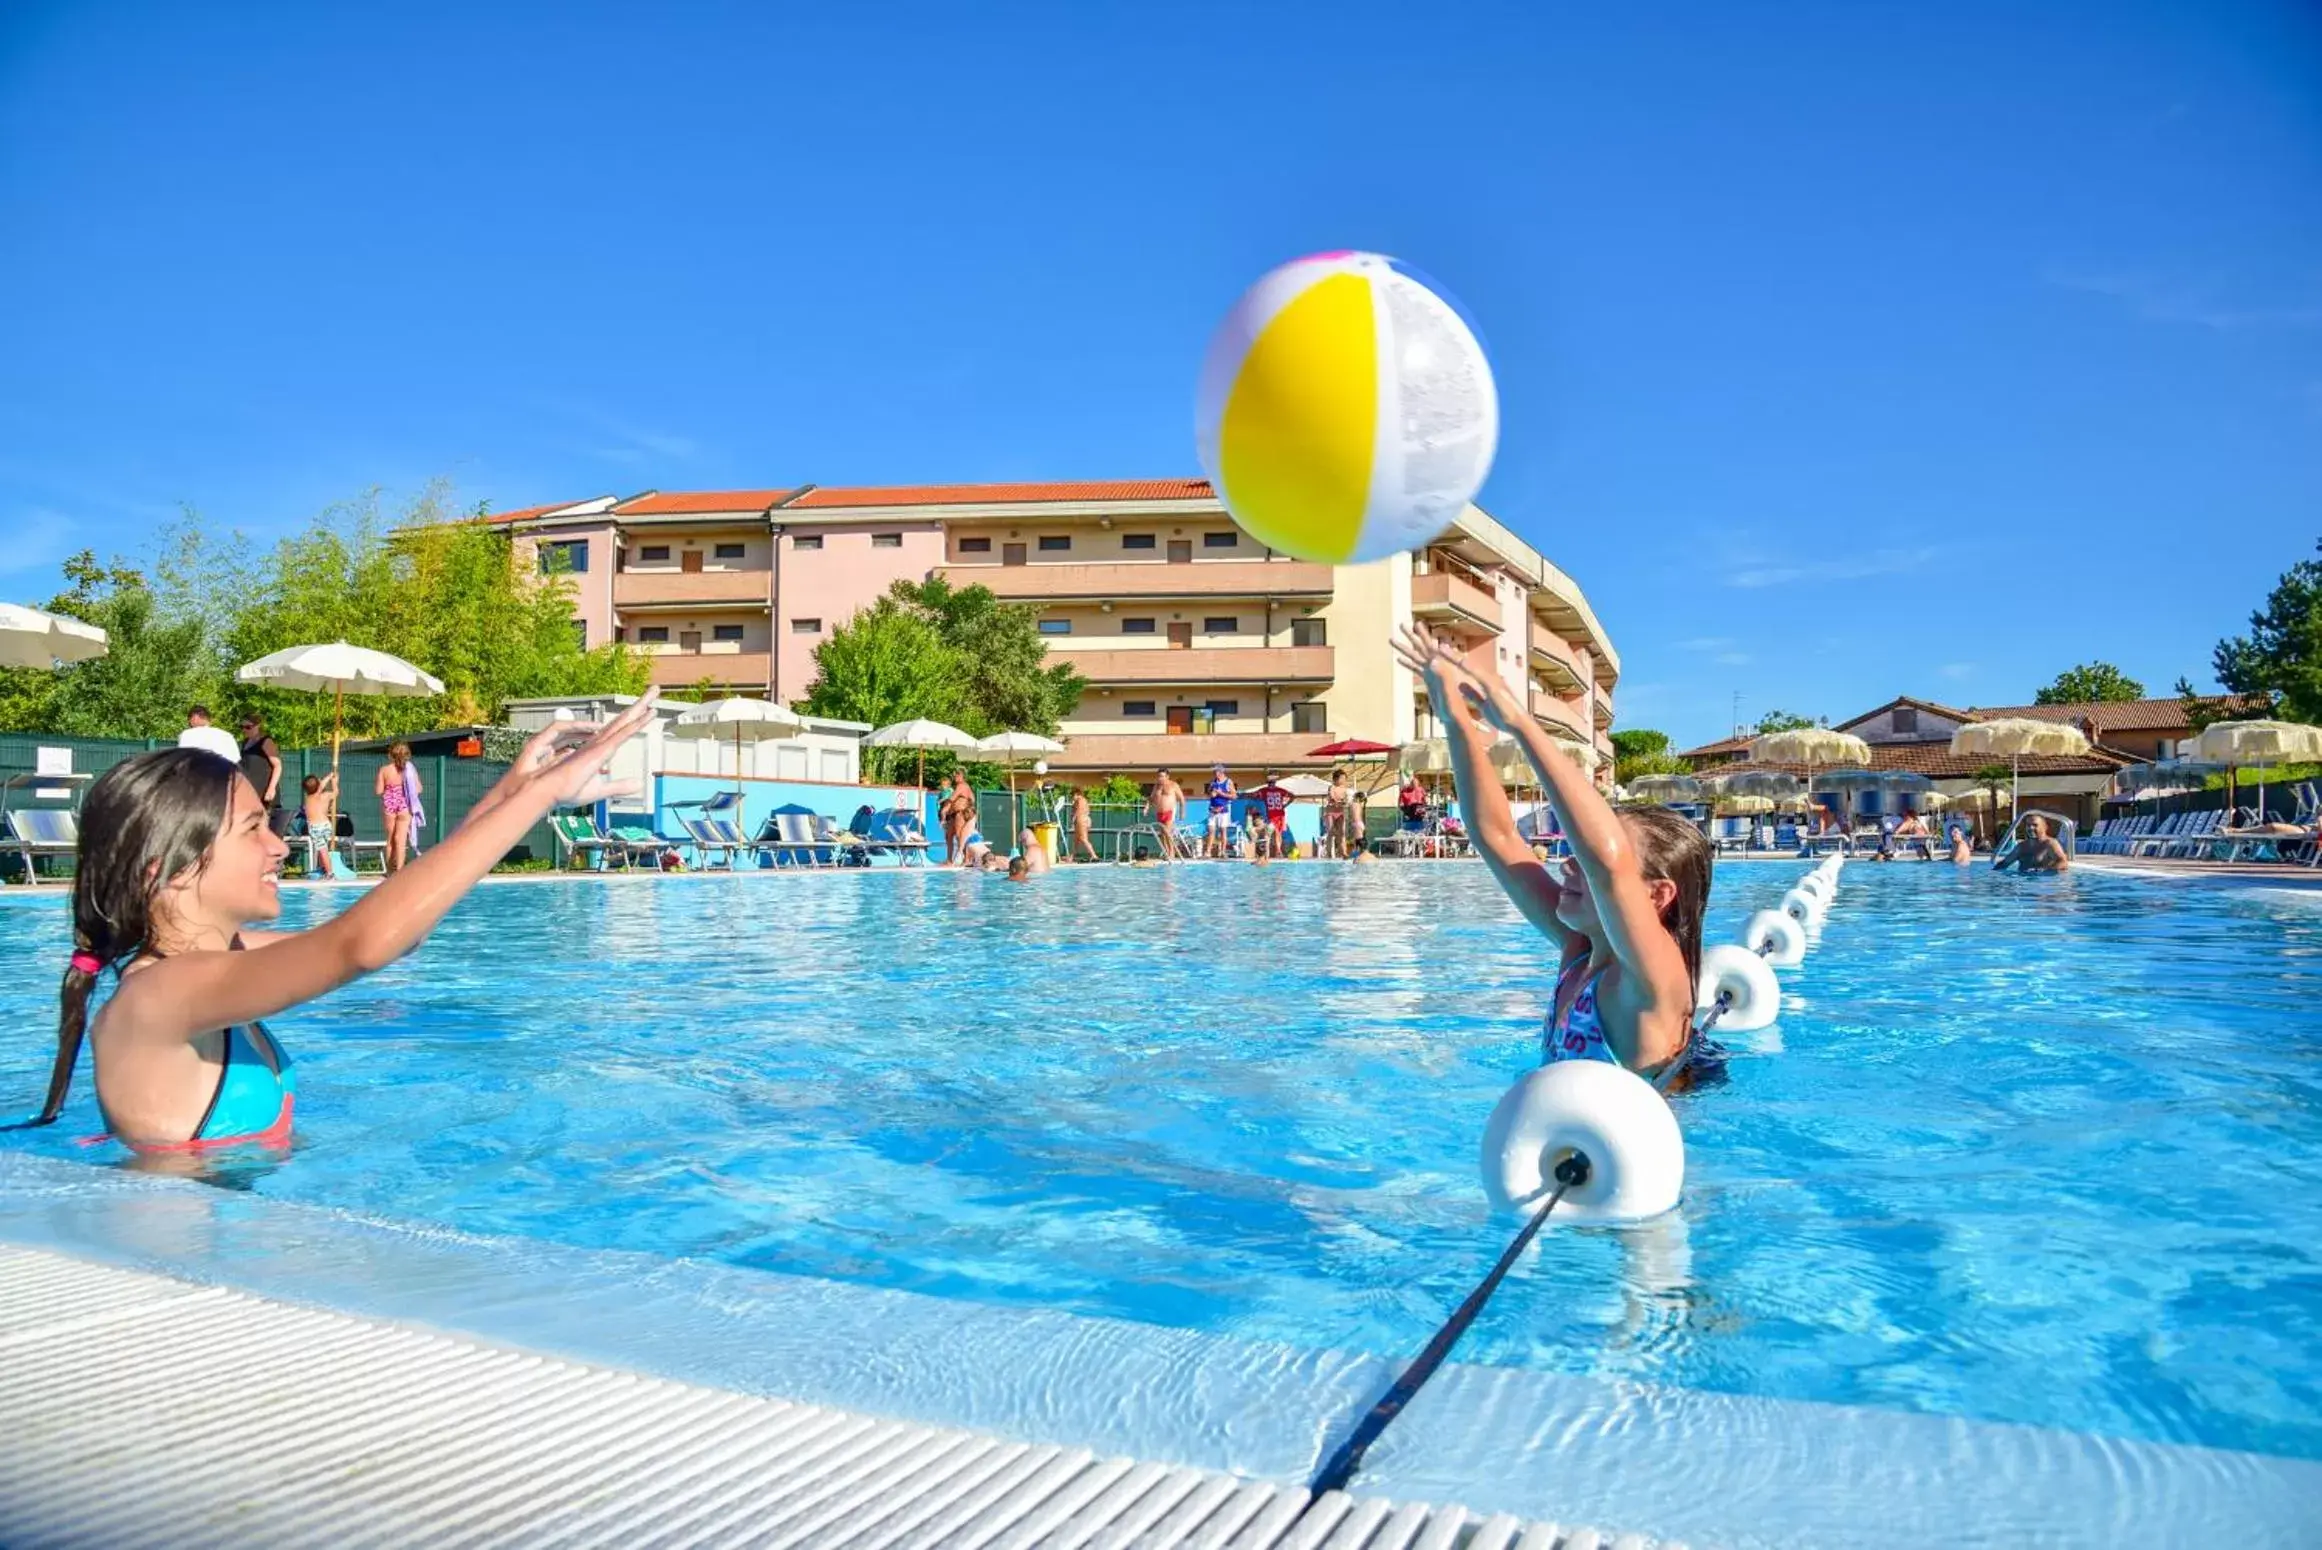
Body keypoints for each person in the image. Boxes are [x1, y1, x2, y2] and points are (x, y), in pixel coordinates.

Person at [4, 697, 656, 1152]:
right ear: (167, 870)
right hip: (178, 1288)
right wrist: (544, 794)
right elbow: (364, 944)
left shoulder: (219, 960)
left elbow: (400, 930)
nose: (279, 847)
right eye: (255, 828)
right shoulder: (157, 997)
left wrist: (513, 790)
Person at [1392, 625, 1718, 1087]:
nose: (1568, 862)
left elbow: (1609, 864)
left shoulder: (1653, 981)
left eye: (1581, 855)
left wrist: (1522, 724)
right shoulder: (1578, 952)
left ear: (1658, 894)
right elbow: (1496, 835)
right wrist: (1454, 718)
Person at [375, 742, 424, 873]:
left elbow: (379, 791)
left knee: (390, 839)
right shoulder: (409, 769)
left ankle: (390, 871)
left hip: (389, 804)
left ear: (390, 754)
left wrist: (389, 787)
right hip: (404, 805)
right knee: (401, 839)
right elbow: (419, 788)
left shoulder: (384, 770)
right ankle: (400, 870)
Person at [237, 714, 285, 837]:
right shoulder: (245, 743)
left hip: (264, 793)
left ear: (257, 726)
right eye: (242, 727)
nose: (244, 730)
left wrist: (271, 788)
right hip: (251, 793)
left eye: (248, 727)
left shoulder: (266, 742)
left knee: (265, 830)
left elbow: (277, 765)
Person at [1995, 812, 2071, 873]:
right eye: (2028, 825)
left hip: (2043, 884)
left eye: (2035, 825)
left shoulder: (2050, 844)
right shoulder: (2022, 846)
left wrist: (2044, 870)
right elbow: (2004, 863)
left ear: (2045, 827)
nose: (2031, 828)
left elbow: (2063, 863)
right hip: (2023, 883)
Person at [940, 770, 976, 866]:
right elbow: (972, 798)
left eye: (956, 775)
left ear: (962, 776)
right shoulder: (964, 787)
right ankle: (949, 860)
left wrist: (945, 808)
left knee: (960, 836)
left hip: (959, 814)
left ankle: (966, 859)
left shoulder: (962, 786)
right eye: (954, 775)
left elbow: (952, 798)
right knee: (948, 836)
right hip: (954, 814)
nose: (954, 776)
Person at [1204, 764, 1237, 859]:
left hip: (1223, 810)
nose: (1214, 773)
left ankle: (1222, 851)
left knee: (1223, 831)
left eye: (1216, 771)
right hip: (1213, 810)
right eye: (1214, 772)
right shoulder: (1212, 782)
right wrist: (1211, 794)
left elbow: (1234, 796)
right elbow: (1208, 794)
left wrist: (1221, 793)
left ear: (1221, 772)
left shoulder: (1228, 782)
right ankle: (1207, 852)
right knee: (1211, 831)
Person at [1151, 769, 1184, 860]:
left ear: (1167, 776)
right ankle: (1166, 852)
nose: (1160, 778)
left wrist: (1182, 812)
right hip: (1159, 812)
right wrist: (1146, 807)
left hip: (1170, 811)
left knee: (1167, 832)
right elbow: (1151, 797)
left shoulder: (1173, 785)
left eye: (1162, 776)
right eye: (1159, 776)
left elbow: (1181, 799)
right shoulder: (1156, 786)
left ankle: (1172, 853)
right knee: (1162, 834)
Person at [1324, 767, 1353, 859]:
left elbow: (1345, 800)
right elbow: (1332, 797)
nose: (1344, 780)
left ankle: (1344, 852)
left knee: (1342, 833)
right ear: (1336, 779)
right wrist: (1339, 802)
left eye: (1345, 778)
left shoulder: (1344, 789)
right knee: (1331, 832)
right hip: (1331, 812)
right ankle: (1329, 853)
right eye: (1342, 778)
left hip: (1340, 812)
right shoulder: (1332, 787)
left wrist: (1345, 802)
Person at [1069, 784, 1098, 863]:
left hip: (1081, 819)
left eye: (1072, 795)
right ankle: (1071, 857)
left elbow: (1079, 811)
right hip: (1084, 819)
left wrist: (1073, 820)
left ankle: (1094, 856)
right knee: (1076, 840)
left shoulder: (1080, 800)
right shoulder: (1082, 800)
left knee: (1083, 839)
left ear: (1077, 794)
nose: (1072, 796)